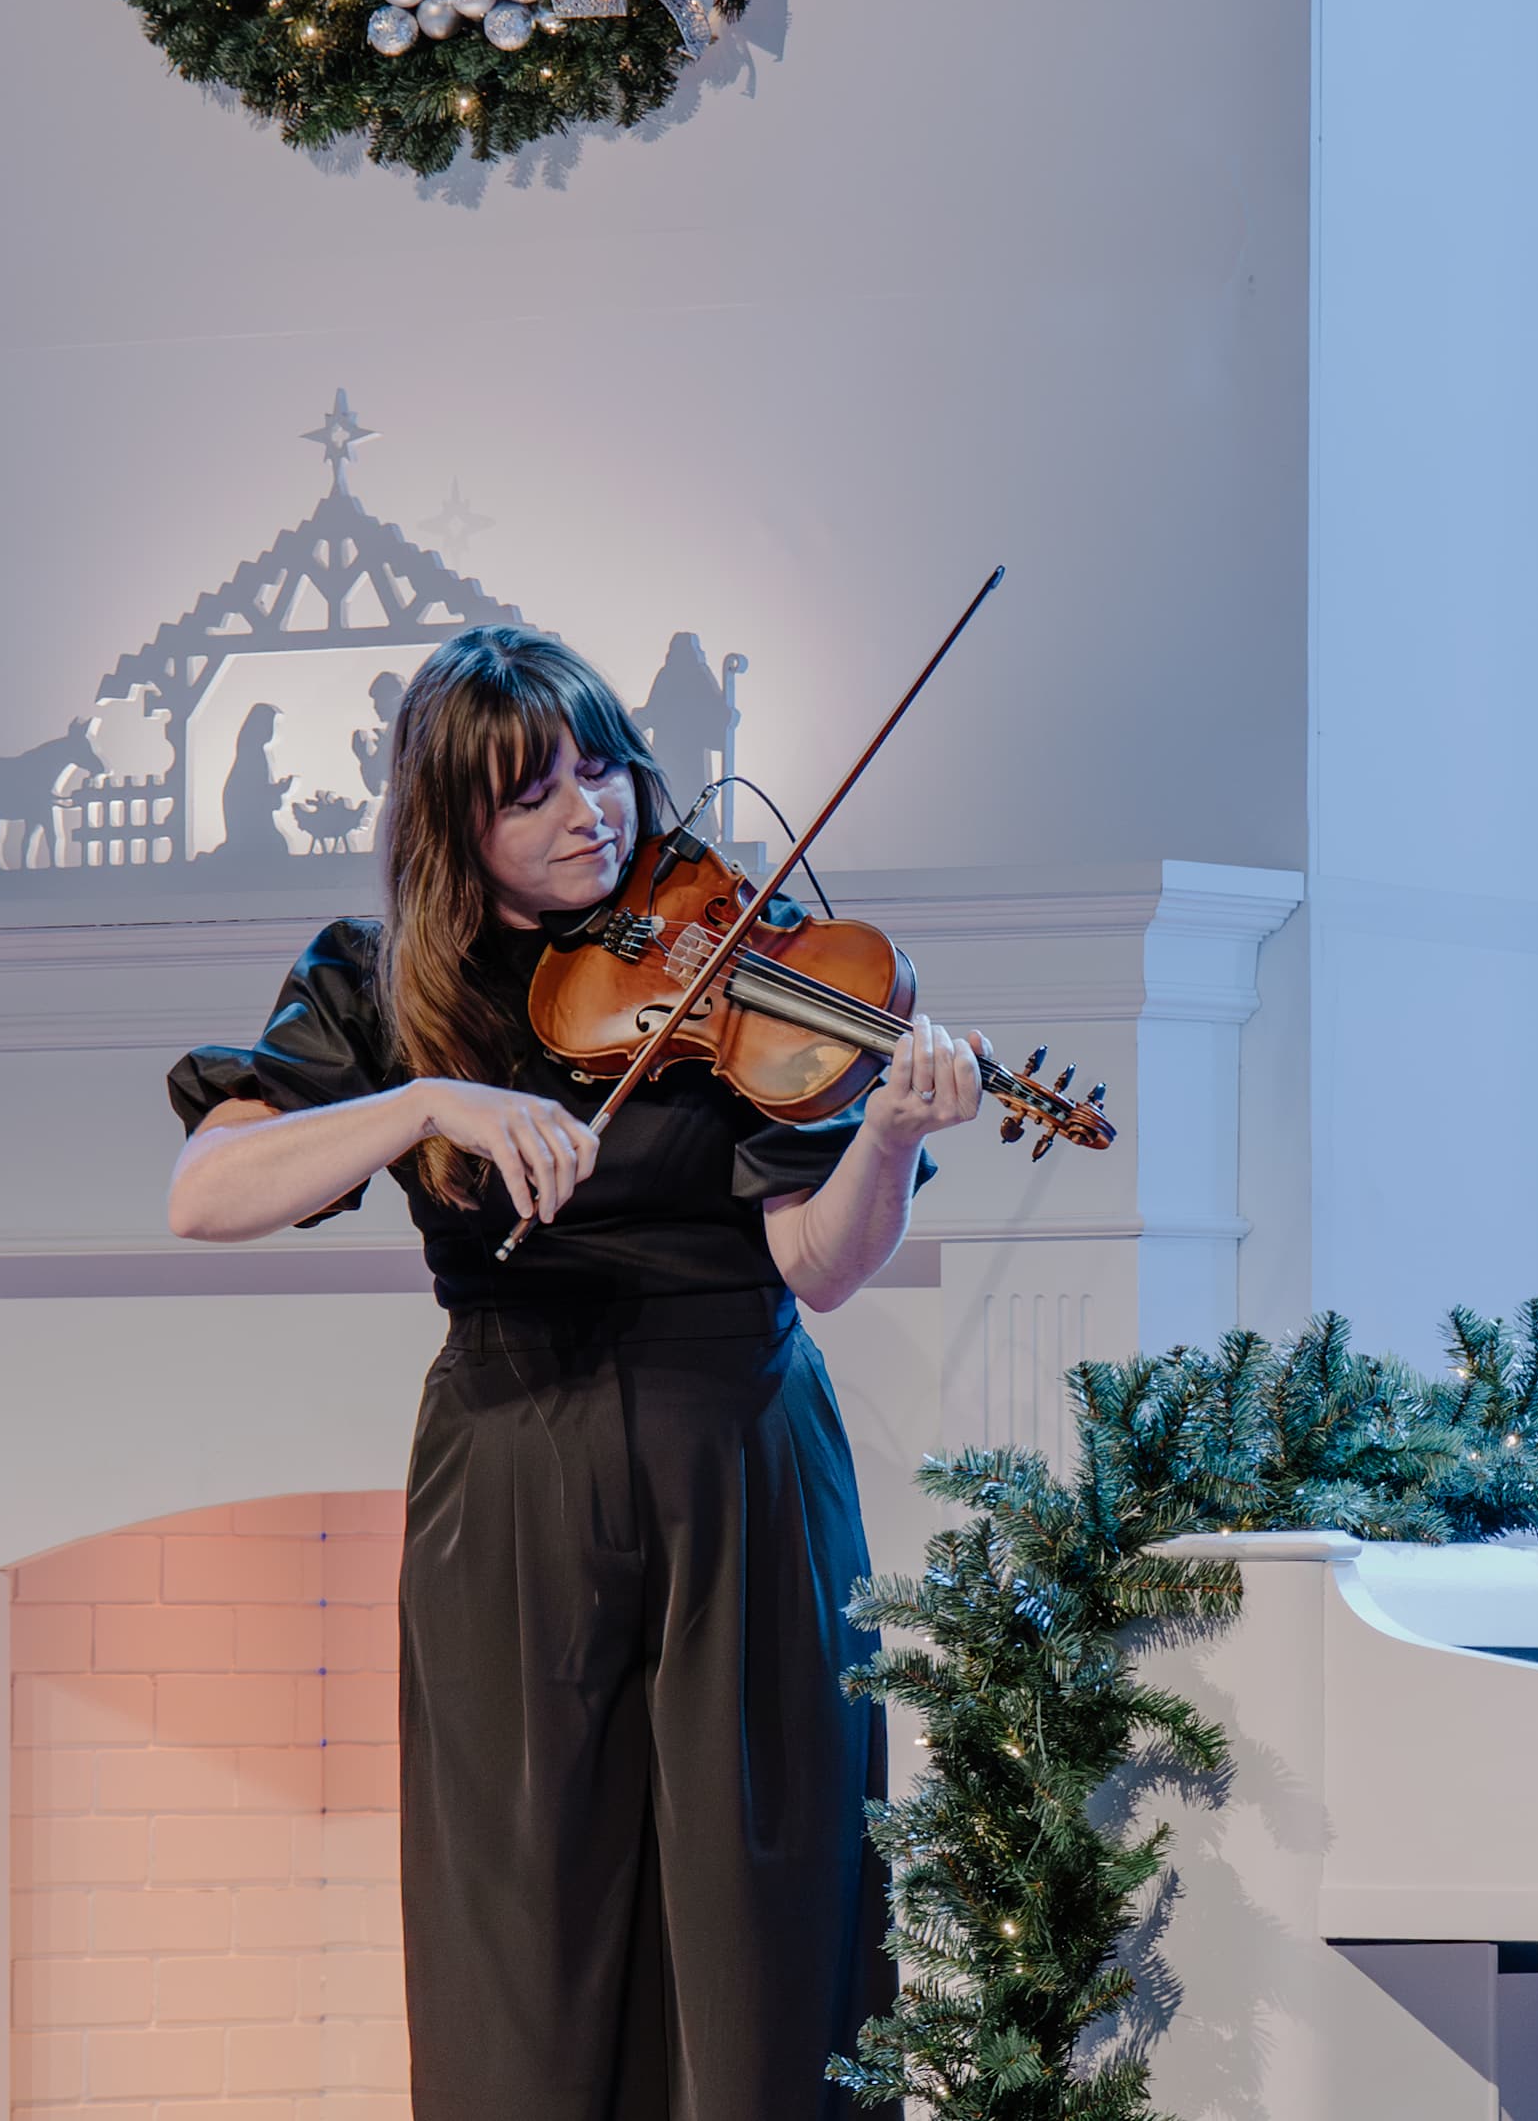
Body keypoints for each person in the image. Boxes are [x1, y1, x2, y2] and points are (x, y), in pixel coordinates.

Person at [165, 623, 984, 2121]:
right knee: (523, 1927)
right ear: (451, 824)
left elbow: (819, 1265)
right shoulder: (381, 980)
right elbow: (205, 1193)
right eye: (532, 791)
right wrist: (430, 1099)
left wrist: (890, 1135)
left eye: (601, 765)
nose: (588, 812)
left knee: (764, 1916)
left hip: (738, 1445)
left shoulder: (735, 948)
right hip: (512, 1456)